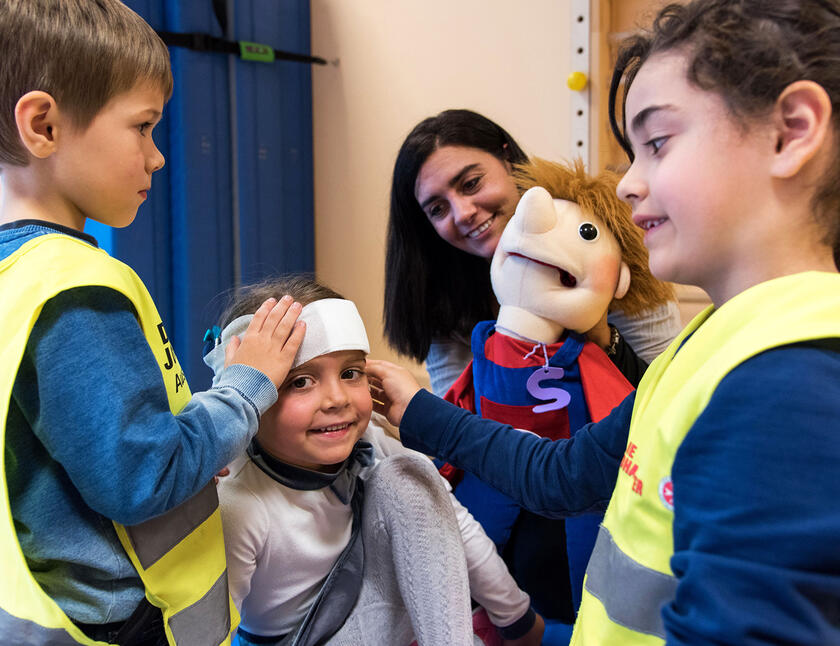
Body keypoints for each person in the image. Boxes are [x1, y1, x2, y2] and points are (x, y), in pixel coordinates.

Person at [368, 0, 840, 644]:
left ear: (790, 131)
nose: (624, 186)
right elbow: (561, 476)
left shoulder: (790, 387)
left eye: (658, 143)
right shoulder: (710, 346)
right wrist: (419, 407)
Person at [0, 2, 305, 644]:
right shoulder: (76, 288)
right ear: (43, 125)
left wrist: (197, 437)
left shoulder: (14, 271)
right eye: (143, 127)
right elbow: (142, 476)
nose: (159, 157)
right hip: (116, 627)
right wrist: (244, 392)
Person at [206, 275, 544, 646]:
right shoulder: (239, 502)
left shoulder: (371, 441)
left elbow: (452, 521)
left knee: (410, 472)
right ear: (252, 404)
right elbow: (207, 624)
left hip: (375, 617)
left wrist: (516, 619)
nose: (337, 398)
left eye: (351, 373)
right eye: (300, 382)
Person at [384, 109, 683, 397]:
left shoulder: (600, 238)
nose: (462, 213)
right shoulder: (444, 297)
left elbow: (669, 393)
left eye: (471, 184)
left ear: (508, 159)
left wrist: (599, 333)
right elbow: (453, 423)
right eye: (438, 209)